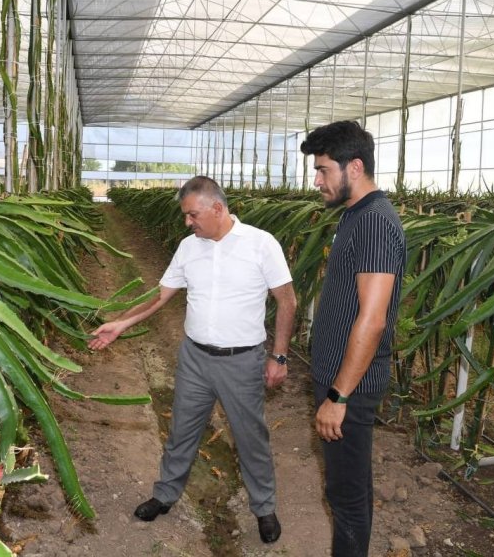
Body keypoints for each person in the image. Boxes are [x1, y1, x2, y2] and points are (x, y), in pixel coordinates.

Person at [88, 176, 296, 544]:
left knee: (251, 439)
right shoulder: (189, 248)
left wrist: (279, 355)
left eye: (192, 215)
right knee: (182, 431)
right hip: (195, 358)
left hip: (242, 361)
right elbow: (159, 296)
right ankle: (165, 495)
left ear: (217, 208)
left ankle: (264, 508)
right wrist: (121, 323)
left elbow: (287, 300)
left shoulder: (261, 245)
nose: (188, 222)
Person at [299, 121, 407, 557]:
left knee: (345, 497)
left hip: (352, 386)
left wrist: (338, 396)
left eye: (323, 170)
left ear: (355, 167)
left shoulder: (376, 224)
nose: (317, 180)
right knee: (351, 488)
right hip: (341, 378)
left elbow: (373, 319)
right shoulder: (355, 216)